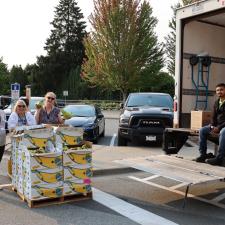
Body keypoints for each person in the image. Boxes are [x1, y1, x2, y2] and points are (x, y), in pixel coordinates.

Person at [195, 83, 225, 166]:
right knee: (202, 130)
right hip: (217, 126)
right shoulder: (217, 102)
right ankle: (203, 155)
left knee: (223, 132)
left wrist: (218, 128)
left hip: (223, 127)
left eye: (221, 90)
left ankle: (219, 158)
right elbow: (213, 116)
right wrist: (212, 126)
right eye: (218, 90)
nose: (219, 92)